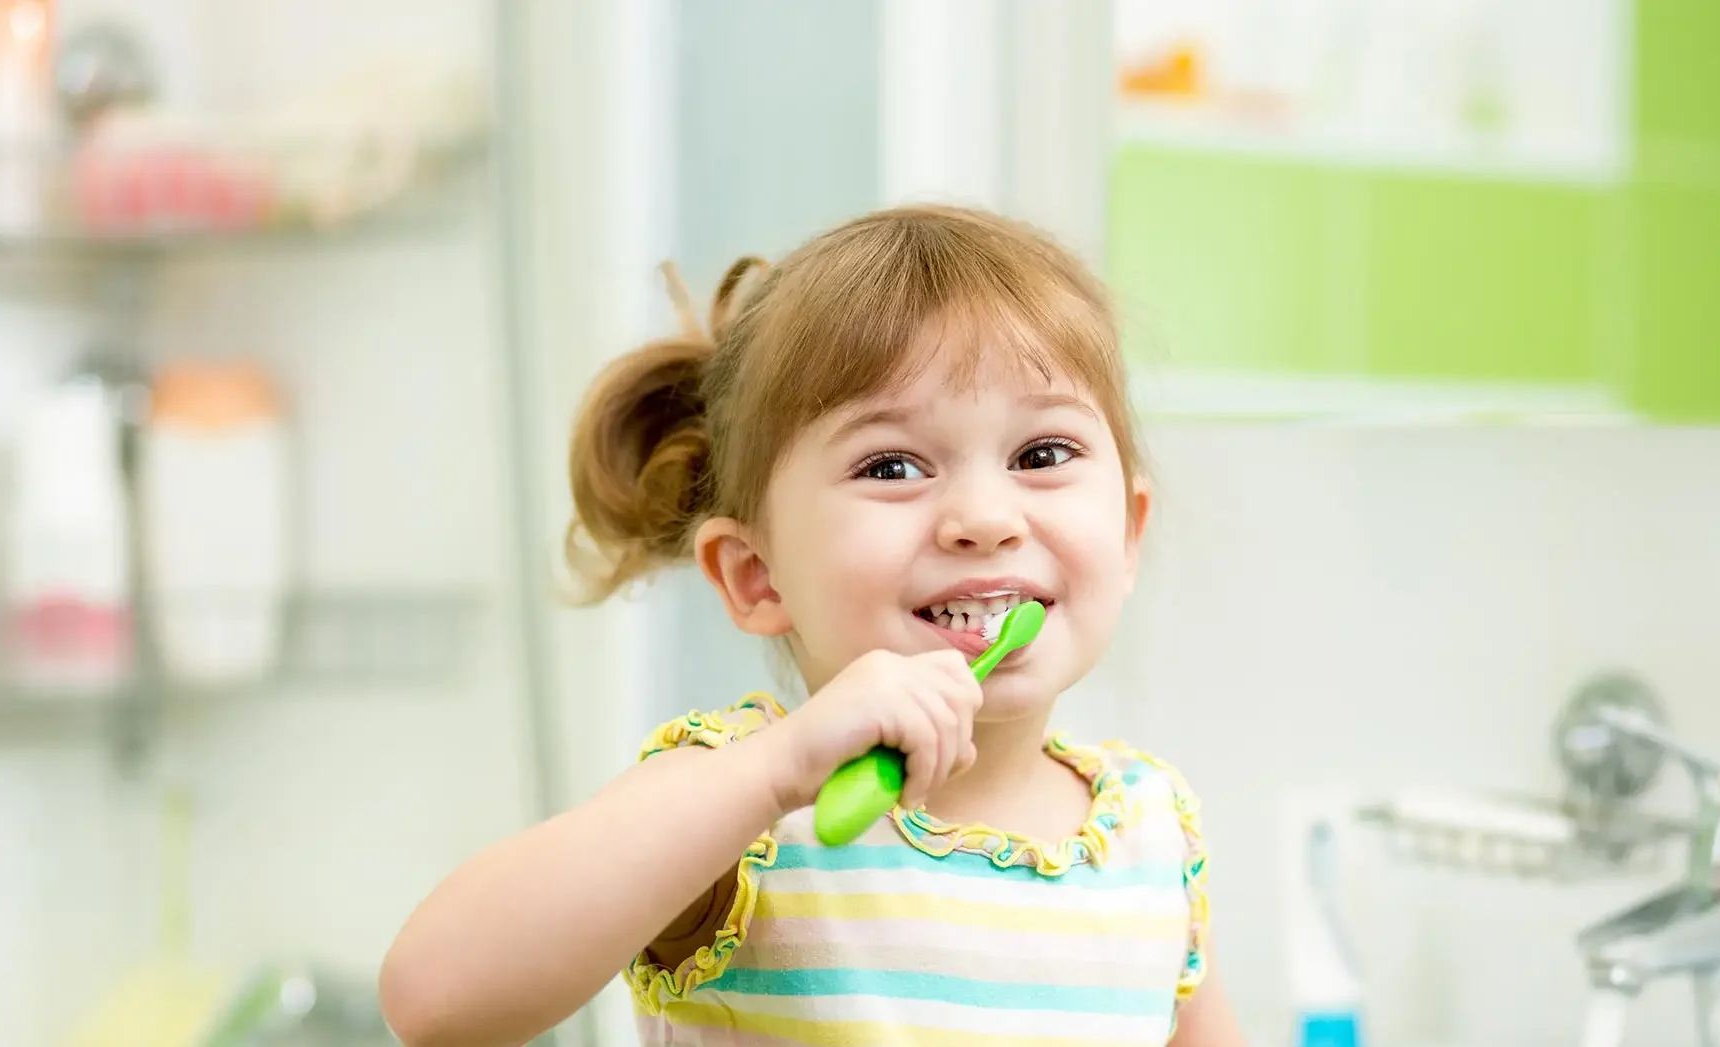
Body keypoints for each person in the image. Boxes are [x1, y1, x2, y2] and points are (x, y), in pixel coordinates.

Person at [380, 205, 1243, 1046]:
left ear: (1128, 533)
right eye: (892, 465)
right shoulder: (740, 808)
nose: (984, 516)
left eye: (1042, 454)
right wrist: (772, 774)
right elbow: (434, 1000)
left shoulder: (1150, 837)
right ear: (757, 575)